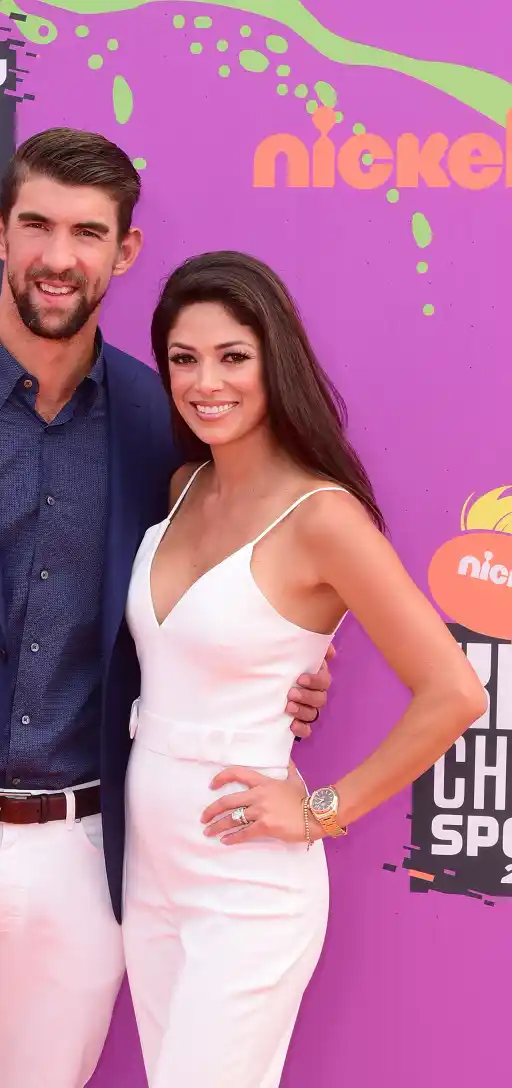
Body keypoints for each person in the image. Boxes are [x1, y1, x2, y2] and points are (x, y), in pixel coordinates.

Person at [0, 132, 331, 1088]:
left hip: (86, 852)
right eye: (35, 223)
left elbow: (226, 578)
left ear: (124, 252)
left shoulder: (164, 417)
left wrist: (290, 667)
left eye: (87, 232)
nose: (57, 256)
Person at [121, 250, 488, 1088]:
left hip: (246, 885)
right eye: (183, 359)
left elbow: (454, 692)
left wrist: (324, 808)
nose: (205, 382)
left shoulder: (324, 517)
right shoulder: (183, 487)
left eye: (232, 357)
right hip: (149, 870)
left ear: (273, 360)